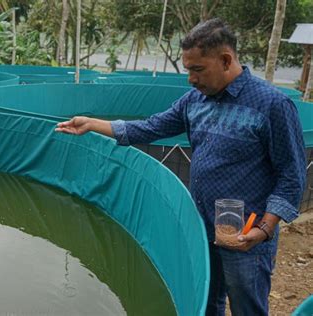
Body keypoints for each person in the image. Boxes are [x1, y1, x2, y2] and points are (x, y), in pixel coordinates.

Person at [55, 18, 306, 316]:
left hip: (246, 235)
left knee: (247, 307)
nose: (191, 78)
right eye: (188, 69)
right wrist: (93, 124)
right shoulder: (195, 100)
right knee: (207, 301)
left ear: (226, 60)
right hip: (201, 228)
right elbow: (150, 127)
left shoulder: (272, 105)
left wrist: (265, 229)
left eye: (197, 69)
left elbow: (292, 174)